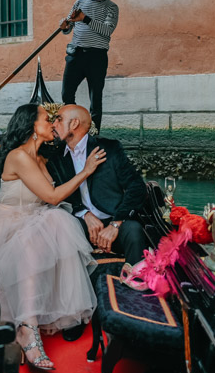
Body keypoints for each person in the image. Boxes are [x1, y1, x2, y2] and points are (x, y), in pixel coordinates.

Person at [0, 103, 106, 370]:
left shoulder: (42, 158)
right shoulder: (18, 156)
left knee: (55, 223)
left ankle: (29, 326)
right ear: (31, 125)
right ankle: (27, 329)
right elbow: (53, 196)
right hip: (7, 223)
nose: (51, 123)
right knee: (41, 233)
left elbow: (51, 200)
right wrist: (86, 171)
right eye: (46, 119)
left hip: (36, 219)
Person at [49, 104, 148, 266]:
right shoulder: (56, 157)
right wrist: (84, 213)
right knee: (61, 231)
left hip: (113, 220)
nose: (54, 124)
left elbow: (136, 187)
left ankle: (135, 281)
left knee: (134, 231)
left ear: (74, 124)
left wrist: (116, 224)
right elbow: (58, 194)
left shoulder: (109, 148)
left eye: (59, 119)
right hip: (79, 224)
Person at [60, 0, 119, 133]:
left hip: (97, 57)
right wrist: (64, 26)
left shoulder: (112, 7)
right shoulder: (79, 3)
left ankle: (93, 135)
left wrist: (84, 18)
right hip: (76, 55)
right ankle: (72, 130)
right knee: (67, 95)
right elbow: (69, 26)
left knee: (96, 99)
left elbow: (107, 30)